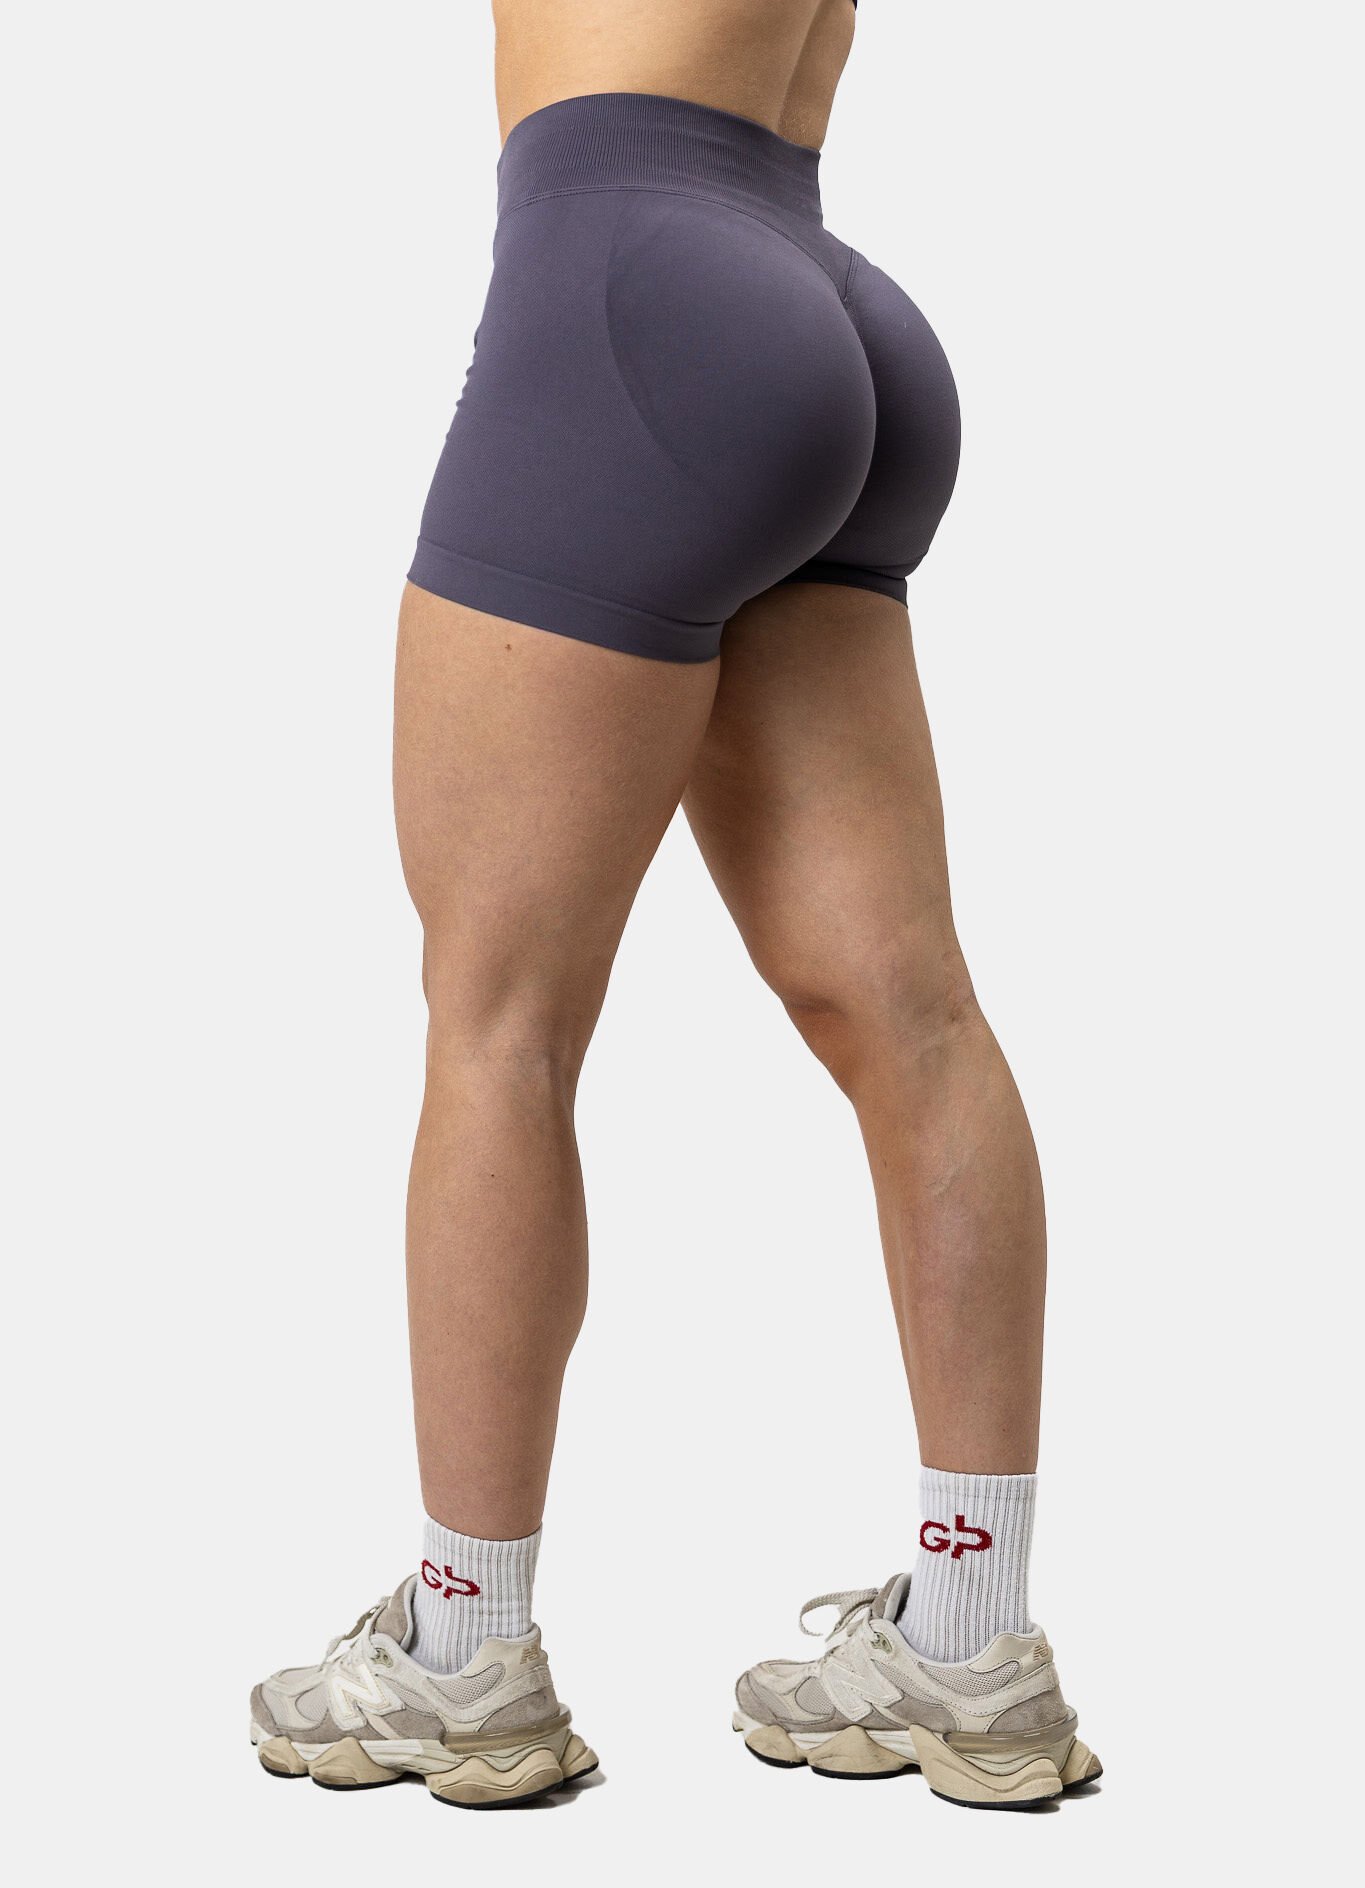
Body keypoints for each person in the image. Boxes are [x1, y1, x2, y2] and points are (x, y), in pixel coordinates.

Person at [249, 0, 1100, 1811]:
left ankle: (461, 1655)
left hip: (623, 292)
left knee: (499, 1018)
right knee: (909, 1009)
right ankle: (972, 1646)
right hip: (821, 298)